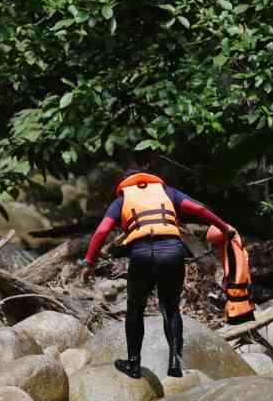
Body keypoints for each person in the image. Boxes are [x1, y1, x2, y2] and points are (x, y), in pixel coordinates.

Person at [79, 154, 233, 379]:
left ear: (124, 184)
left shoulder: (122, 199)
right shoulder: (167, 192)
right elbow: (199, 209)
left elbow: (102, 231)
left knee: (135, 310)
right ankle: (174, 364)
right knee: (170, 309)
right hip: (172, 252)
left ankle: (133, 365)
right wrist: (223, 227)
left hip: (141, 255)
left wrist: (89, 262)